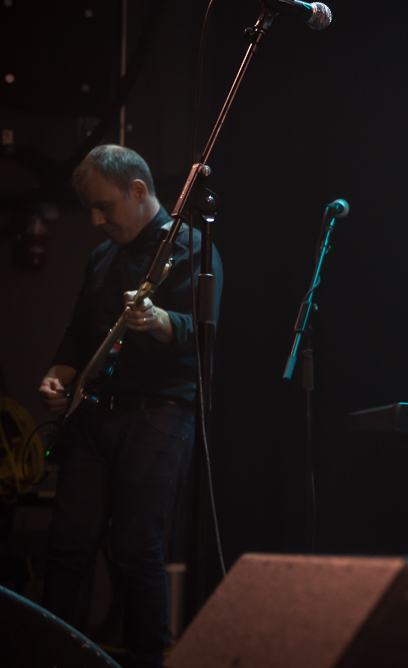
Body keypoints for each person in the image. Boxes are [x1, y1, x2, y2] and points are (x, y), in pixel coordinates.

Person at [37, 145, 222, 668]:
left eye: (103, 207)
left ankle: (146, 660)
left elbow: (197, 334)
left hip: (160, 414)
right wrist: (56, 379)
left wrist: (156, 320)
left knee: (138, 548)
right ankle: (54, 655)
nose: (96, 221)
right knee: (68, 544)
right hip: (95, 415)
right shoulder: (103, 257)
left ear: (137, 191)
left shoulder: (191, 249)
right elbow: (78, 337)